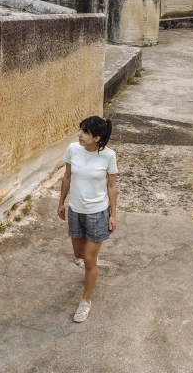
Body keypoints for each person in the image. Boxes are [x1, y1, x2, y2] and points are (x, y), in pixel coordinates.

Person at [57, 115, 117, 323]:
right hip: (75, 210)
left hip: (97, 213)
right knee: (79, 254)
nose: (79, 135)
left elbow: (111, 186)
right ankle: (90, 270)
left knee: (90, 259)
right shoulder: (73, 149)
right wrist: (61, 202)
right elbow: (67, 177)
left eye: (85, 132)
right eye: (80, 130)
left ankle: (86, 300)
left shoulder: (109, 156)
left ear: (97, 138)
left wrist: (113, 214)